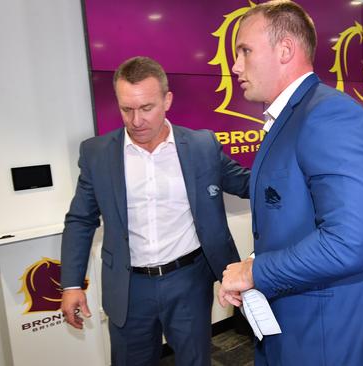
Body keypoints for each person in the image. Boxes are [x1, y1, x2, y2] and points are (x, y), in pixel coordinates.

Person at [217, 1, 363, 365]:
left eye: (245, 51)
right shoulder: (293, 117)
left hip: (333, 334)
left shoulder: (330, 116)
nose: (235, 65)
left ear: (285, 49)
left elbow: (349, 243)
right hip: (298, 320)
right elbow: (296, 219)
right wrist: (256, 268)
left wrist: (254, 271)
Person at [60, 56, 250, 366]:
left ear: (167, 100)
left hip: (188, 280)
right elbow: (81, 220)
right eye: (126, 109)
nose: (136, 121)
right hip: (128, 286)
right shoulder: (96, 154)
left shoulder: (202, 146)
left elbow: (247, 184)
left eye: (146, 108)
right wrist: (71, 284)